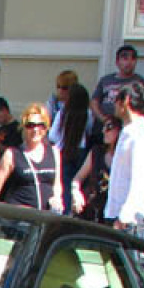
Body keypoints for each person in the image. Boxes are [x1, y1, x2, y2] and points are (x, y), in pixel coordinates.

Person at [0, 102, 63, 212]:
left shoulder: (54, 152)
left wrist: (57, 198)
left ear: (46, 128)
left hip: (45, 216)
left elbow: (57, 184)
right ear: (23, 127)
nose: (35, 130)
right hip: (20, 216)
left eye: (40, 125)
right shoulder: (12, 154)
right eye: (30, 125)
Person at [104, 81, 144, 238]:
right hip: (119, 213)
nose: (114, 104)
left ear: (125, 101)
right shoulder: (128, 132)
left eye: (116, 99)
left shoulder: (140, 135)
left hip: (130, 219)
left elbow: (138, 179)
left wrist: (124, 216)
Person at [70, 116, 122, 222]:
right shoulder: (96, 152)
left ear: (120, 131)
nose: (104, 131)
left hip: (113, 215)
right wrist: (76, 193)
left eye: (109, 127)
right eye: (103, 127)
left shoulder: (125, 158)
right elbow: (77, 179)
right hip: (91, 212)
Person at [91, 45, 144, 131]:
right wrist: (103, 119)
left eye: (132, 59)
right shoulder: (106, 80)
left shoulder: (139, 82)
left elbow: (143, 106)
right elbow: (94, 102)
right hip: (104, 123)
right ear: (117, 62)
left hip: (127, 125)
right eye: (125, 59)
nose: (129, 62)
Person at [57, 83, 91, 213]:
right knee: (79, 183)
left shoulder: (63, 113)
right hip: (81, 151)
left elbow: (54, 135)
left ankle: (66, 211)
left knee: (65, 182)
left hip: (65, 151)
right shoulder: (88, 114)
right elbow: (90, 130)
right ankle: (78, 210)